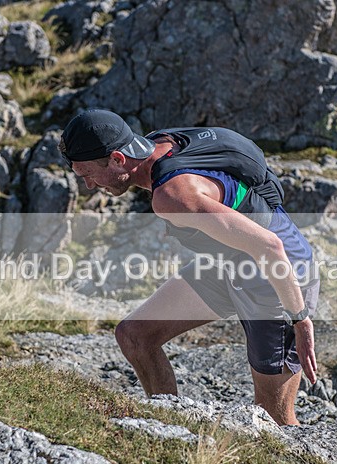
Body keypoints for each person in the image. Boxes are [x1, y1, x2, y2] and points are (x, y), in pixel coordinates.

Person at [59, 109, 319, 425]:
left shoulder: (172, 196)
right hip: (229, 263)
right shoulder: (159, 142)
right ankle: (168, 427)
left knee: (273, 415)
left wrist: (301, 320)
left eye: (88, 174)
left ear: (117, 159)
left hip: (275, 275)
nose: (88, 185)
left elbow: (269, 246)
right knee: (135, 336)